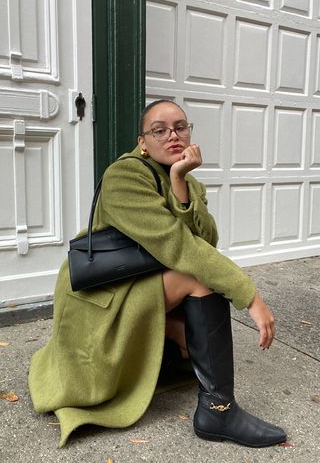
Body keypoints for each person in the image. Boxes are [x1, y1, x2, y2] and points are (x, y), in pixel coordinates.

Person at [29, 100, 287, 448]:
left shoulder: (188, 180)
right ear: (142, 142)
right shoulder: (124, 176)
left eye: (181, 127)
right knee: (196, 279)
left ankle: (183, 355)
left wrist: (180, 181)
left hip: (140, 279)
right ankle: (219, 410)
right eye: (159, 130)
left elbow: (206, 241)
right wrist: (249, 296)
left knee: (198, 279)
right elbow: (180, 248)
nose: (173, 136)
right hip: (101, 292)